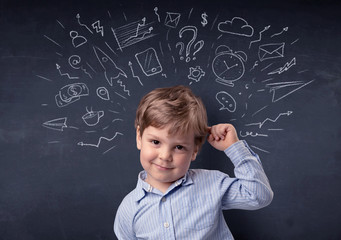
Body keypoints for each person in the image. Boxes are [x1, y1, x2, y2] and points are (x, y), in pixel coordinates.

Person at [114, 85, 273, 239]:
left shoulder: (211, 184)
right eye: (156, 142)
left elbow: (259, 195)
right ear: (139, 137)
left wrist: (233, 147)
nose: (165, 156)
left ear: (194, 150)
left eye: (178, 147)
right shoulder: (129, 209)